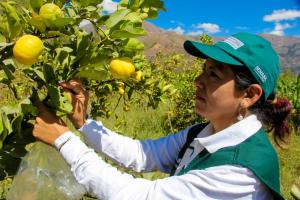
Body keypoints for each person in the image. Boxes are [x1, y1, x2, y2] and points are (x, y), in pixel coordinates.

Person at [33, 32, 292, 200]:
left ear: (250, 94)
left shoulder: (240, 171)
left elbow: (140, 196)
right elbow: (142, 154)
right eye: (203, 70)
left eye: (214, 74)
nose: (197, 81)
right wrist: (83, 123)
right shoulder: (204, 132)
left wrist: (64, 139)